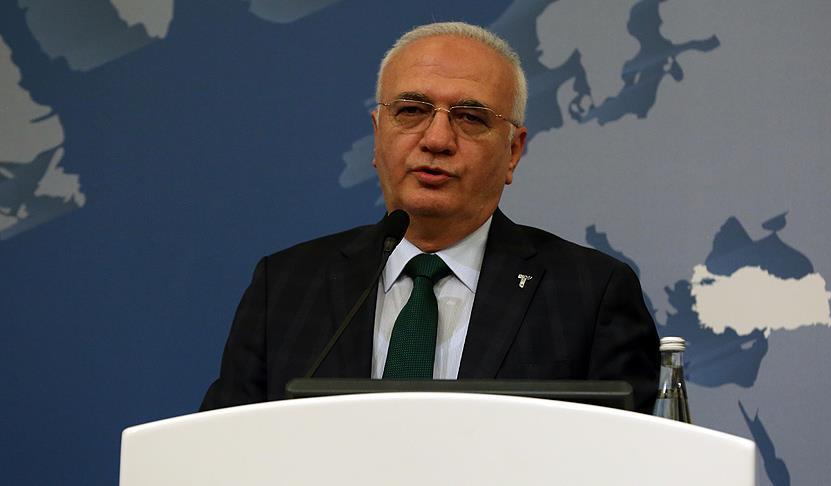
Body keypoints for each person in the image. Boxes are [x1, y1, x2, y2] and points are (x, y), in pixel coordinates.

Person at [201, 22, 659, 413]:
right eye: (412, 111)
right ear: (378, 136)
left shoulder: (590, 295)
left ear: (513, 152)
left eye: (470, 117)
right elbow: (220, 452)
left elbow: (627, 462)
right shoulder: (285, 287)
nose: (437, 139)